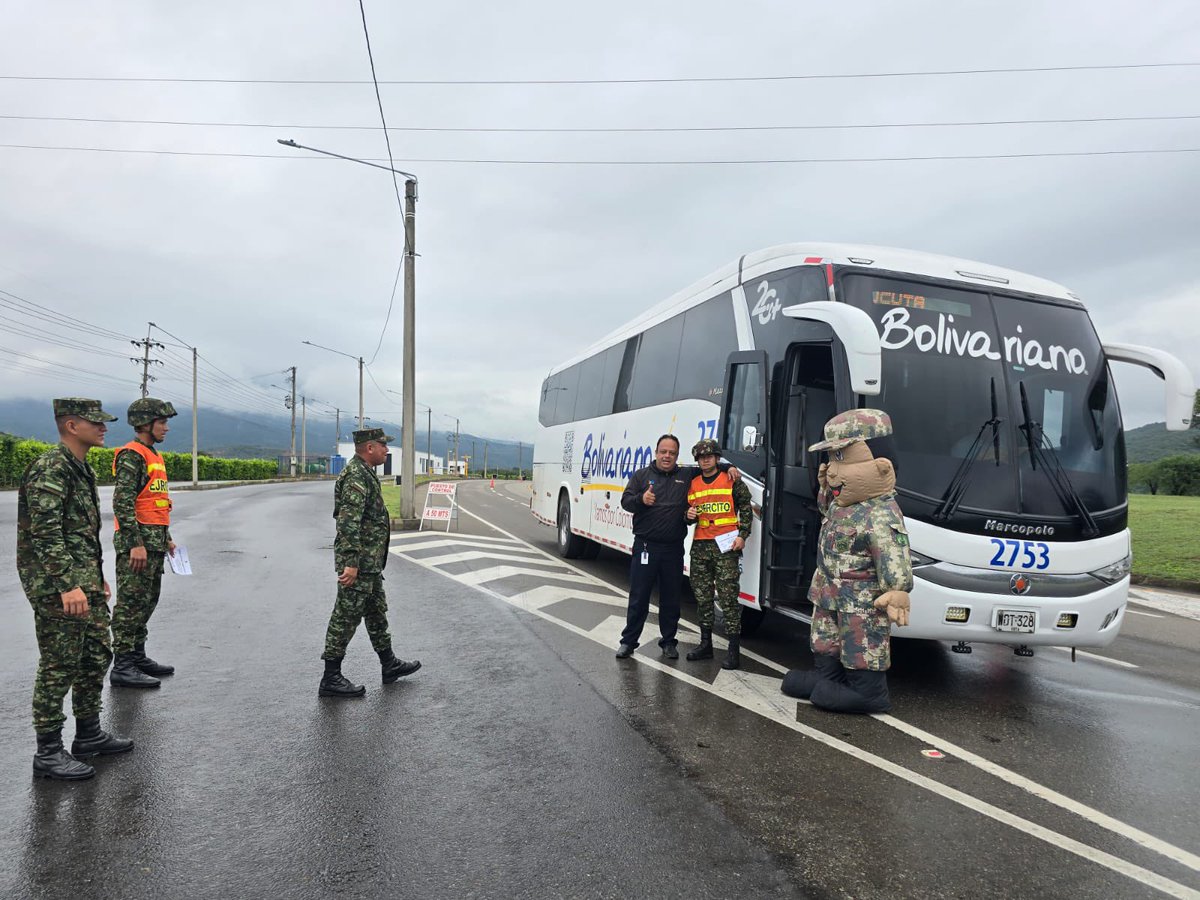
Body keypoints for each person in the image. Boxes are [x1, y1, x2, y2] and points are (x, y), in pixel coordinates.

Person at [18, 398, 133, 780]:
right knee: (59, 664)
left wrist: (94, 576)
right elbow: (45, 532)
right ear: (71, 425)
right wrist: (67, 584)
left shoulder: (80, 467)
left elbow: (79, 532)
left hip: (84, 580)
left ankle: (88, 734)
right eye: (96, 423)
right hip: (57, 585)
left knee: (96, 655)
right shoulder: (51, 466)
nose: (104, 429)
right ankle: (48, 752)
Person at [780, 409, 912, 713]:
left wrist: (898, 588)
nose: (835, 470)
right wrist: (826, 489)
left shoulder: (881, 513)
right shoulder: (844, 503)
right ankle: (827, 675)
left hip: (860, 601)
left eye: (844, 459)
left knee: (860, 643)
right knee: (826, 639)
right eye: (833, 460)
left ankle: (868, 692)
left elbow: (894, 553)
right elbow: (827, 512)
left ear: (881, 465)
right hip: (829, 591)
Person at [615, 434, 737, 660]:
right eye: (663, 451)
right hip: (645, 547)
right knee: (639, 597)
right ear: (656, 452)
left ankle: (669, 642)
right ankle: (628, 642)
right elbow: (625, 501)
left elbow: (709, 465)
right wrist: (641, 500)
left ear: (677, 456)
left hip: (672, 549)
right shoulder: (642, 476)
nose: (667, 456)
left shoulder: (686, 475)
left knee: (671, 598)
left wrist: (730, 467)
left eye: (671, 453)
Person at [319, 427, 421, 697]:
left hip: (371, 562)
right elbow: (348, 522)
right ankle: (330, 677)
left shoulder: (366, 473)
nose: (387, 450)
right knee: (345, 616)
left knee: (376, 613)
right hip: (359, 563)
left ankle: (389, 665)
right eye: (383, 446)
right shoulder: (355, 476)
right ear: (369, 448)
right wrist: (351, 562)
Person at [109, 397, 178, 689]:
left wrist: (168, 539)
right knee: (130, 604)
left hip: (155, 542)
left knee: (147, 601)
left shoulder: (152, 455)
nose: (166, 428)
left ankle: (137, 656)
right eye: (162, 423)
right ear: (145, 424)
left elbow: (154, 503)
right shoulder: (132, 454)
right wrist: (134, 543)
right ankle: (122, 665)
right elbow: (122, 502)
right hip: (138, 545)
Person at [684, 438, 753, 669]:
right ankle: (705, 645)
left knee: (728, 599)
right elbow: (686, 512)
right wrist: (687, 516)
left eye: (710, 456)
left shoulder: (731, 479)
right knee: (703, 598)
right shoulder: (692, 482)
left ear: (717, 458)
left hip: (726, 548)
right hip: (701, 547)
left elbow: (746, 507)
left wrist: (743, 535)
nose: (705, 460)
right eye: (702, 457)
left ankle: (734, 651)